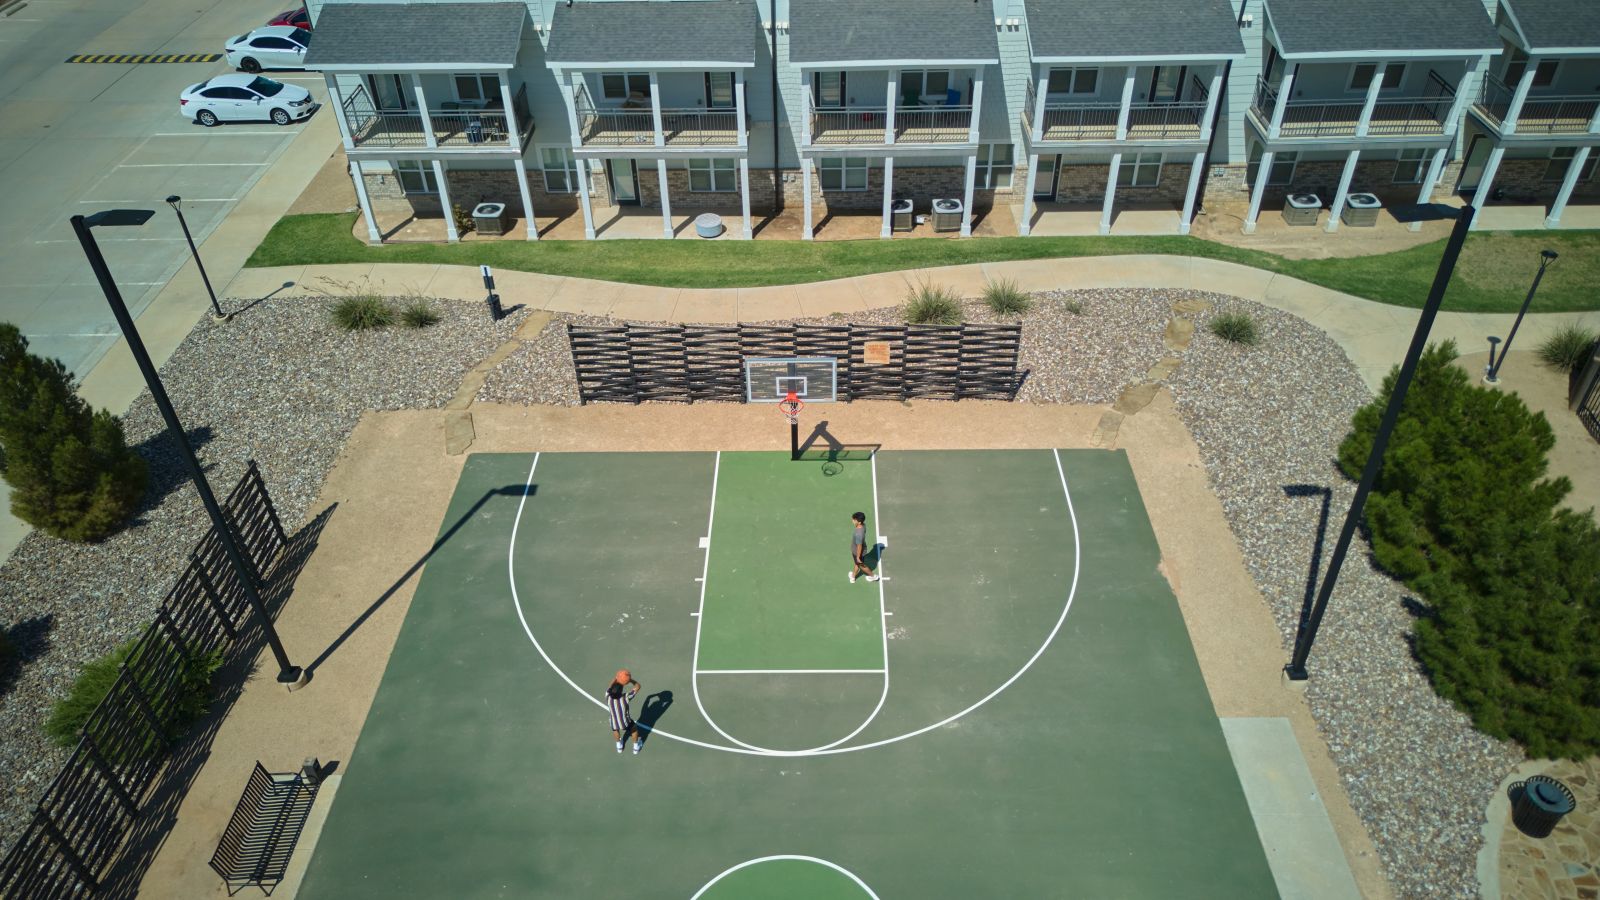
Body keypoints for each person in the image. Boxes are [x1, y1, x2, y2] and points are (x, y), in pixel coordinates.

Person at [606, 669, 643, 755]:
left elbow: (610, 686)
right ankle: (636, 747)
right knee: (634, 729)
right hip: (625, 722)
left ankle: (619, 746)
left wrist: (616, 678)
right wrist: (630, 680)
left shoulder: (607, 695)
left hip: (614, 721)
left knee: (615, 729)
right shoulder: (625, 697)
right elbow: (638, 687)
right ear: (620, 692)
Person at [850, 511, 879, 584]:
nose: (852, 521)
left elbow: (859, 546)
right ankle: (853, 576)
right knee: (857, 563)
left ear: (859, 522)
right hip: (859, 550)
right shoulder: (863, 525)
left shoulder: (858, 534)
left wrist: (858, 557)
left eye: (854, 520)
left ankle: (873, 576)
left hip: (858, 552)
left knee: (861, 565)